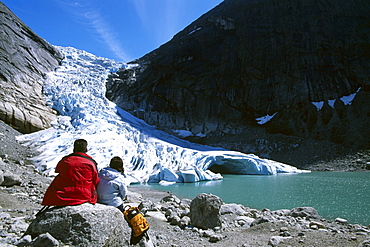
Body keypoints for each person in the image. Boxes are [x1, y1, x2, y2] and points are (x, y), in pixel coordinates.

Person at [42, 139, 100, 206]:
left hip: (62, 194)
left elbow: (58, 170)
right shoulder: (91, 162)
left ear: (74, 148)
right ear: (86, 149)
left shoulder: (65, 160)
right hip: (83, 195)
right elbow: (95, 180)